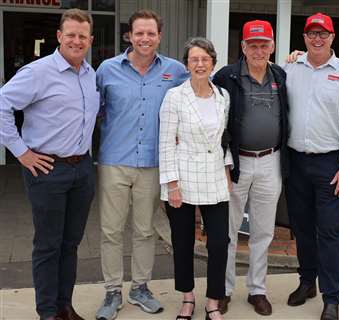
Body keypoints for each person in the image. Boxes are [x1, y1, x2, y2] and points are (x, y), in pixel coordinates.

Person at [0, 9, 98, 320]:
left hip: (82, 169)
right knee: (48, 245)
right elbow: (1, 106)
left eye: (82, 36)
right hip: (47, 170)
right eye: (70, 34)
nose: (76, 40)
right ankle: (47, 313)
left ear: (90, 40)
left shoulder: (90, 74)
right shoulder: (37, 72)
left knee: (70, 244)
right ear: (58, 36)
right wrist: (21, 152)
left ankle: (64, 306)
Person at [95, 9, 189, 320]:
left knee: (145, 230)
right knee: (111, 231)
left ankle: (139, 288)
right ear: (130, 36)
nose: (145, 38)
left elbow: (206, 86)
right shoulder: (107, 70)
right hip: (114, 162)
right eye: (139, 33)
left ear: (159, 36)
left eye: (151, 33)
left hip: (153, 163)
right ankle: (111, 291)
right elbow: (91, 109)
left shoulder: (175, 71)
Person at [283, 13, 339, 320]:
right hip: (295, 161)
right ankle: (307, 282)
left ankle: (332, 297)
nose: (317, 38)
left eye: (323, 33)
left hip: (331, 163)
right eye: (312, 33)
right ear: (303, 38)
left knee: (329, 231)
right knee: (301, 228)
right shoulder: (290, 67)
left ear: (332, 37)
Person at [212, 20, 290, 316]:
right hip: (236, 161)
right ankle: (224, 290)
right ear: (242, 47)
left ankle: (257, 289)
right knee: (227, 231)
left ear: (272, 46)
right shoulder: (227, 76)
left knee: (263, 231)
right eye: (252, 45)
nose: (258, 50)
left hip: (271, 161)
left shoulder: (280, 76)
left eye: (264, 45)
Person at [159, 37, 232, 320]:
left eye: (205, 59)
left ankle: (213, 300)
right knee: (182, 242)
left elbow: (223, 139)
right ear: (187, 64)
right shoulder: (174, 96)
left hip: (214, 176)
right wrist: (172, 185)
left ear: (213, 62)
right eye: (194, 59)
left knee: (218, 243)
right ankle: (187, 298)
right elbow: (165, 144)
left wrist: (227, 173)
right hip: (183, 179)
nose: (200, 64)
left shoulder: (223, 96)